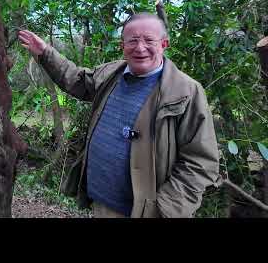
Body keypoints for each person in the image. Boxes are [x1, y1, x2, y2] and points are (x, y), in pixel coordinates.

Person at [17, 13, 220, 218]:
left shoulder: (185, 92)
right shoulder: (112, 73)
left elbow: (200, 163)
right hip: (101, 202)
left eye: (149, 40)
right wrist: (45, 53)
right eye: (132, 41)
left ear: (164, 44)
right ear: (122, 45)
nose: (140, 48)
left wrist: (165, 210)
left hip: (146, 213)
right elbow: (78, 80)